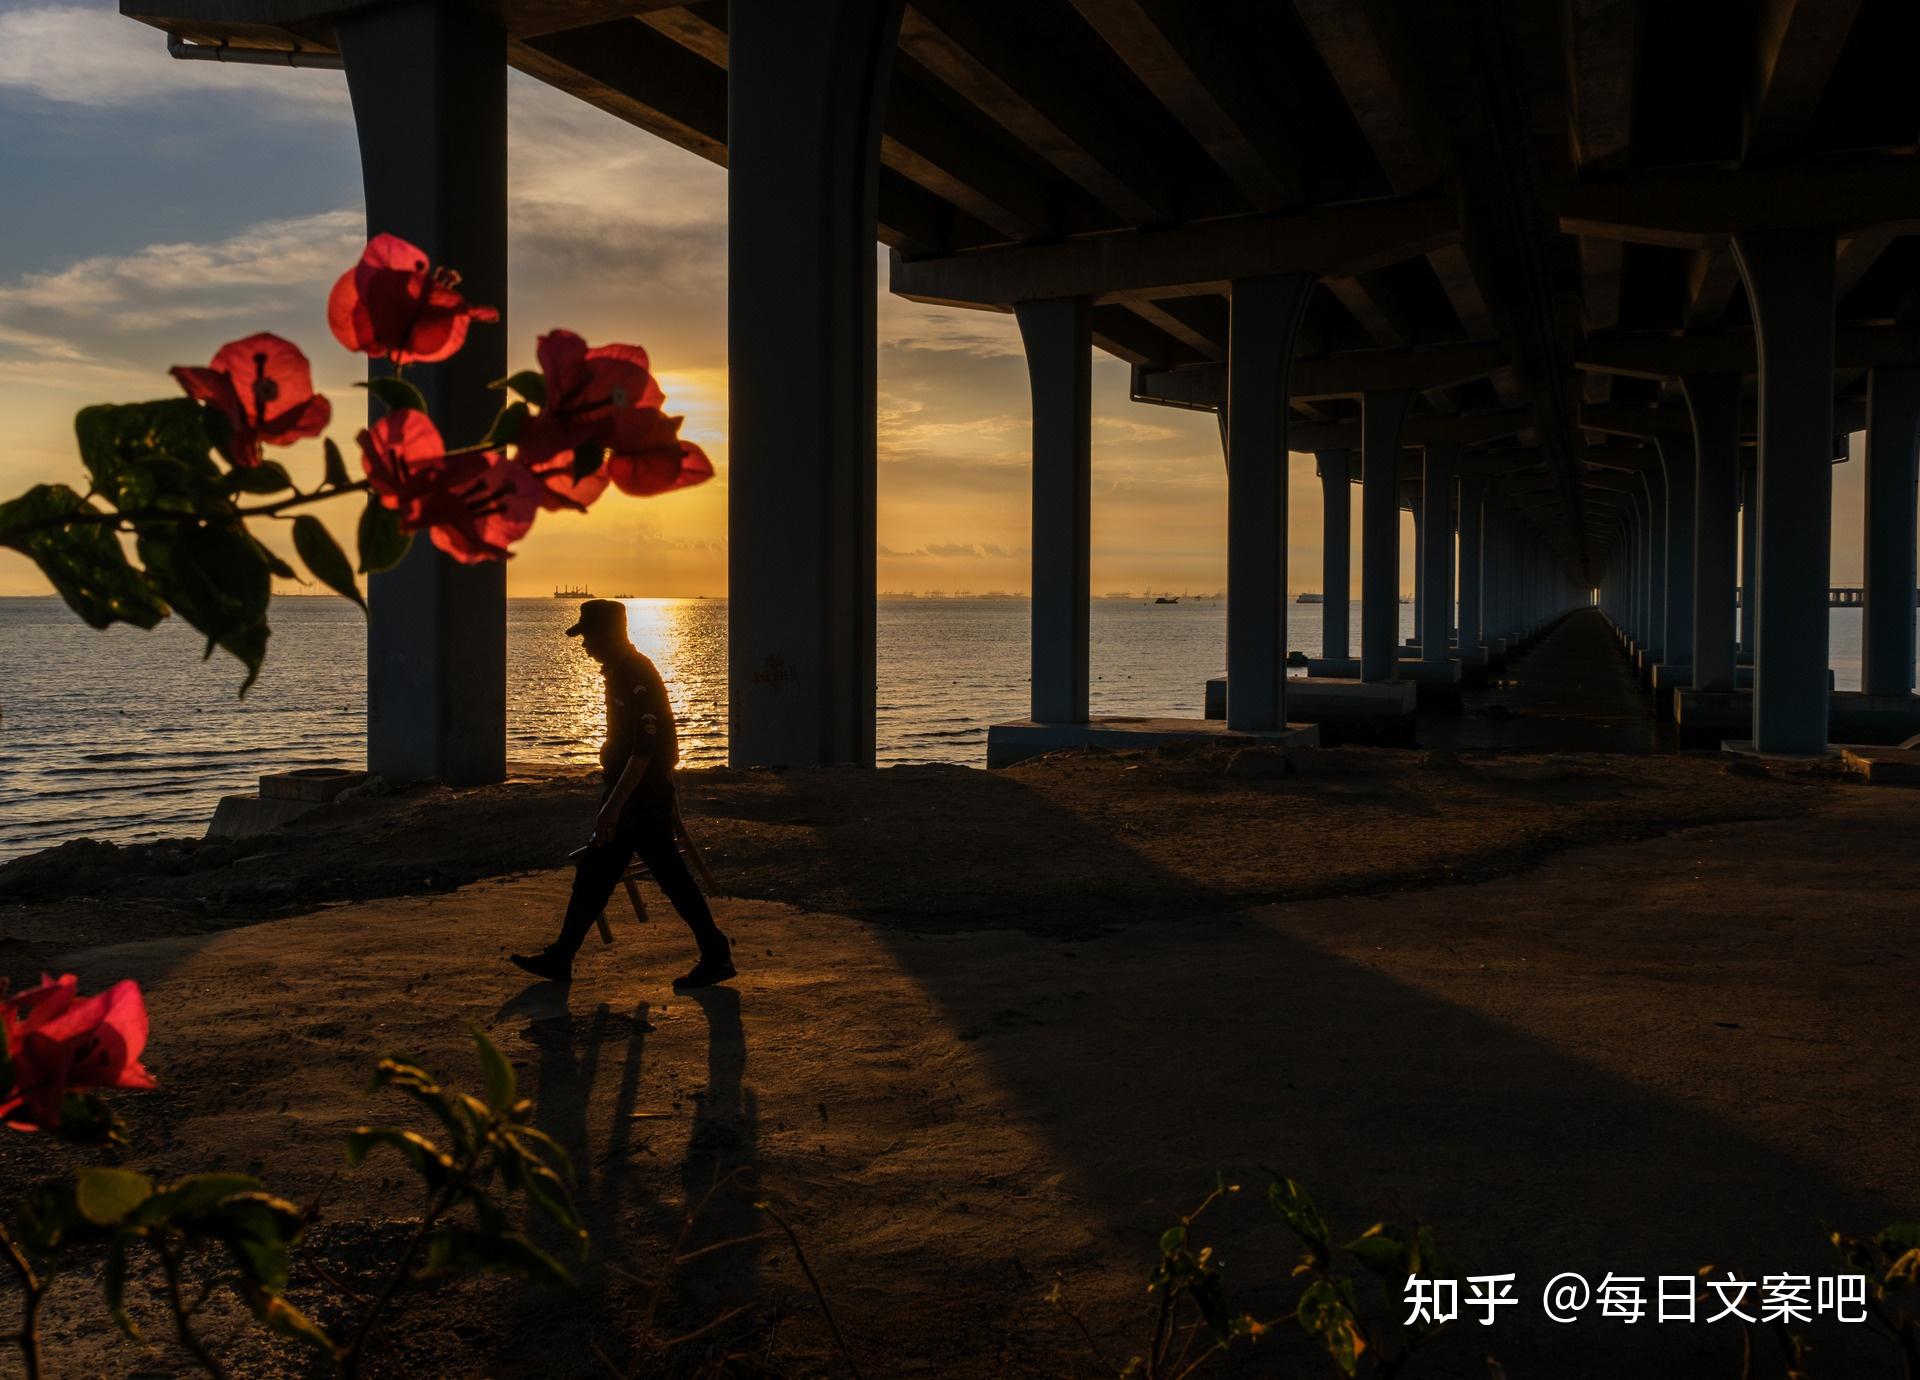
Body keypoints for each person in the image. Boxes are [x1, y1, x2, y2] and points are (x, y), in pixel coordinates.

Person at [510, 600, 734, 988]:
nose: (585, 646)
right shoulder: (618, 674)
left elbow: (643, 752)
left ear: (609, 634)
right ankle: (562, 957)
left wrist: (612, 808)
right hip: (626, 794)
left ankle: (715, 953)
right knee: (596, 874)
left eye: (589, 636)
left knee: (669, 877)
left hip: (641, 798)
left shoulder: (635, 676)